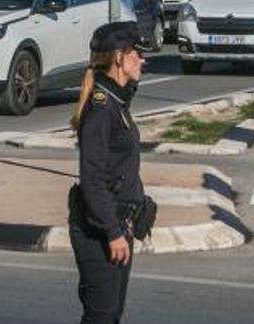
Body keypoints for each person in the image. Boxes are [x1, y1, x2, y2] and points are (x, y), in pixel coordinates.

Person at [69, 21, 148, 324]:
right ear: (119, 58)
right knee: (100, 317)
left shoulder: (115, 100)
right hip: (99, 231)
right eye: (136, 54)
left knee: (111, 315)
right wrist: (113, 231)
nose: (142, 59)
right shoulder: (102, 109)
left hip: (116, 222)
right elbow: (92, 177)